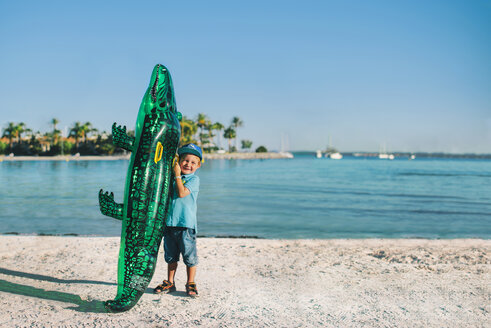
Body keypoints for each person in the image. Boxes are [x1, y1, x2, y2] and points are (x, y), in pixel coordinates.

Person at [153, 143, 202, 297]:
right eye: (185, 160)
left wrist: (177, 175)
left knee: (189, 257)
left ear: (198, 165)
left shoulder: (194, 180)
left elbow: (181, 193)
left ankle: (190, 282)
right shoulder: (173, 178)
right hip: (169, 224)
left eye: (193, 162)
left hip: (186, 225)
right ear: (179, 161)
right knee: (171, 256)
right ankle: (170, 282)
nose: (188, 164)